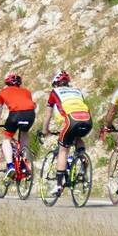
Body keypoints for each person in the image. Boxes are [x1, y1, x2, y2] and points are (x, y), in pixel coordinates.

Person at [40, 70, 92, 199]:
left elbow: (48, 114)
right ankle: (82, 162)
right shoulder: (77, 91)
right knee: (77, 137)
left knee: (63, 150)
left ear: (56, 84)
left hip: (71, 120)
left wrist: (45, 130)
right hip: (87, 120)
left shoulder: (55, 92)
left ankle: (58, 185)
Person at [0, 72, 36, 179]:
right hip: (30, 114)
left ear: (7, 83)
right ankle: (24, 164)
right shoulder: (27, 92)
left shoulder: (2, 92)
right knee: (24, 133)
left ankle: (10, 166)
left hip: (16, 114)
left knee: (6, 139)